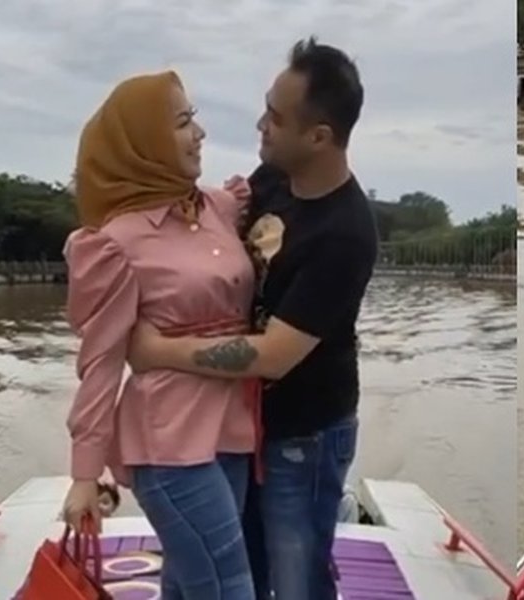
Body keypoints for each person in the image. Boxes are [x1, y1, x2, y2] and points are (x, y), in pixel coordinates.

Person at [127, 38, 378, 600]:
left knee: (296, 577)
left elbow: (272, 355)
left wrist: (157, 350)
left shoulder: (346, 234)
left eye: (276, 117)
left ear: (319, 137)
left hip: (304, 434)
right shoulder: (270, 181)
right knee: (239, 564)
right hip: (239, 420)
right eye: (266, 107)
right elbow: (198, 221)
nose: (260, 125)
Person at [60, 71, 258, 599]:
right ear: (143, 142)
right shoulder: (114, 244)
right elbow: (101, 362)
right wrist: (85, 475)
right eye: (182, 122)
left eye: (194, 118)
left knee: (185, 581)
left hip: (233, 428)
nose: (200, 133)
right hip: (166, 440)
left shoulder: (219, 207)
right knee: (226, 583)